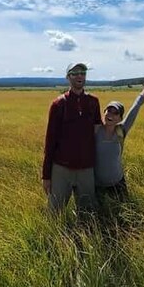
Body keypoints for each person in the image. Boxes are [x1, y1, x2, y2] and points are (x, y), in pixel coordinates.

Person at [41, 62, 102, 213]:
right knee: (54, 213)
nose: (80, 75)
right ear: (68, 77)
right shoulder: (58, 104)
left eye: (83, 72)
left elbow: (98, 132)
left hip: (86, 168)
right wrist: (46, 175)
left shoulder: (93, 102)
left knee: (88, 214)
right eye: (75, 73)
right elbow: (50, 141)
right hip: (61, 168)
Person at [95, 75, 144, 201]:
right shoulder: (95, 130)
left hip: (118, 183)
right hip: (97, 185)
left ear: (120, 118)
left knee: (124, 213)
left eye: (115, 112)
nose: (110, 114)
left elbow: (135, 107)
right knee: (100, 217)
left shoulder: (121, 130)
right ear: (103, 112)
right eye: (108, 110)